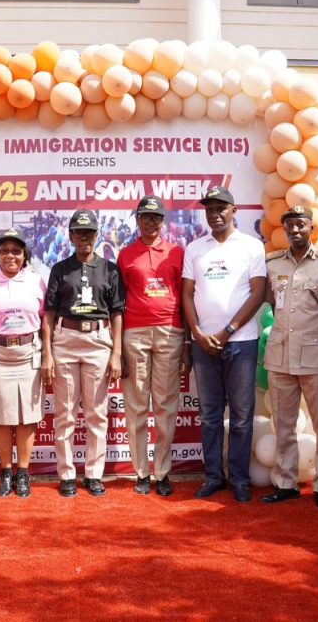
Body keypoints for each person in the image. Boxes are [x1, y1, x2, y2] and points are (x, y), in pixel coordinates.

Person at [181, 185, 267, 503]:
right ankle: (214, 477)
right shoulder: (195, 248)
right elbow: (186, 294)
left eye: (221, 208)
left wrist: (228, 331)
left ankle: (239, 479)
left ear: (234, 211)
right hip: (203, 345)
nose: (215, 214)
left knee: (242, 416)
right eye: (210, 209)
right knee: (209, 415)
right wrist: (197, 333)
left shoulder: (251, 246)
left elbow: (258, 293)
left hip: (241, 342)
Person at [42, 209, 124, 498]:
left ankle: (93, 474)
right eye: (79, 232)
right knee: (65, 413)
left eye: (89, 233)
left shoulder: (110, 269)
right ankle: (66, 474)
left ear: (96, 235)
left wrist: (116, 353)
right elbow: (49, 313)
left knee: (96, 413)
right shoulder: (60, 269)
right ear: (71, 236)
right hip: (65, 340)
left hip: (98, 340)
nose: (84, 238)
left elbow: (117, 313)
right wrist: (47, 352)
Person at [261, 205, 318, 509]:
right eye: (290, 225)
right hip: (281, 353)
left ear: (311, 229)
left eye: (301, 225)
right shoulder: (272, 264)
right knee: (283, 423)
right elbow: (272, 302)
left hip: (315, 355)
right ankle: (285, 482)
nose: (295, 230)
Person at [117, 195, 190, 497]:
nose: (150, 222)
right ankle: (141, 472)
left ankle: (162, 472)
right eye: (145, 217)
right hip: (134, 333)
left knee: (165, 405)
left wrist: (187, 342)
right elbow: (118, 303)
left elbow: (186, 298)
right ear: (137, 219)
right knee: (136, 406)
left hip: (170, 332)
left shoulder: (176, 252)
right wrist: (118, 348)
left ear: (163, 221)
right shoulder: (125, 255)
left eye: (156, 217)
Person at [0, 228, 47, 498]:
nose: (10, 256)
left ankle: (23, 472)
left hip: (28, 353)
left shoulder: (36, 282)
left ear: (24, 255)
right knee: (1, 416)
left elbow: (46, 320)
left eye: (16, 251)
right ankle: (6, 472)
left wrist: (48, 355)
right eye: (4, 250)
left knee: (27, 416)